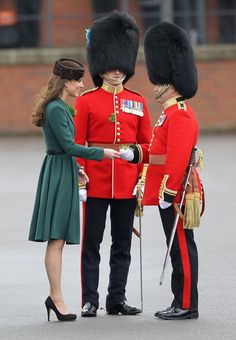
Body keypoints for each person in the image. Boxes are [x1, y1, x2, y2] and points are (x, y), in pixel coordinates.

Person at [120, 22, 204, 320]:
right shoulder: (169, 113)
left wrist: (168, 191)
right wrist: (139, 164)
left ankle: (186, 304)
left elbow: (177, 158)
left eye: (158, 82)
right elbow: (158, 154)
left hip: (176, 192)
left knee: (181, 247)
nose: (155, 86)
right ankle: (179, 300)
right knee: (177, 249)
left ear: (170, 82)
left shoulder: (179, 115)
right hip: (167, 189)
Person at [28, 58, 120, 322]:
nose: (81, 85)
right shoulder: (57, 108)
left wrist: (76, 167)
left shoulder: (59, 106)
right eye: (78, 81)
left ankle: (54, 296)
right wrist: (101, 152)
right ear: (65, 82)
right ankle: (56, 298)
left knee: (58, 240)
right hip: (58, 172)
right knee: (56, 239)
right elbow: (69, 146)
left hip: (62, 169)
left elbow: (63, 147)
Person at [74, 11, 152, 317]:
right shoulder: (87, 101)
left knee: (122, 245)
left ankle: (116, 299)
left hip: (127, 182)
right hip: (95, 179)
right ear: (101, 65)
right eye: (111, 65)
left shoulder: (138, 101)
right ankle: (90, 299)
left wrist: (141, 170)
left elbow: (149, 146)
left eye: (122, 66)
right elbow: (78, 144)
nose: (117, 71)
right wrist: (80, 178)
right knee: (91, 244)